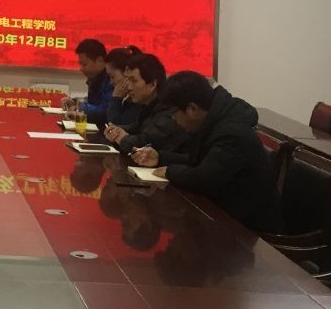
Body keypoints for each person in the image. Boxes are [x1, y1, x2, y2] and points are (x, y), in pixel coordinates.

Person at [130, 71, 282, 232]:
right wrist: (160, 157)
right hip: (224, 214)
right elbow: (199, 161)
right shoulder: (214, 121)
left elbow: (204, 179)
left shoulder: (232, 133)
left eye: (173, 114)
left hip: (248, 230)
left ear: (192, 109)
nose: (174, 120)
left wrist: (169, 172)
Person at [103, 53, 190, 155]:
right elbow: (137, 129)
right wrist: (117, 130)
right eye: (128, 80)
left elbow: (144, 144)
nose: (129, 87)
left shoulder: (168, 111)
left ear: (152, 84)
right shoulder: (148, 106)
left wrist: (121, 137)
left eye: (134, 81)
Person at [62, 38, 113, 128]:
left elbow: (106, 112)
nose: (81, 69)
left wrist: (79, 107)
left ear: (100, 60)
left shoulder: (112, 78)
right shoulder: (95, 78)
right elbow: (94, 103)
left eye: (84, 64)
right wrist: (75, 102)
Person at [103, 45, 143, 128]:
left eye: (112, 77)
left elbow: (115, 126)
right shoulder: (129, 99)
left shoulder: (140, 101)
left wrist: (116, 98)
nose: (111, 82)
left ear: (127, 73)